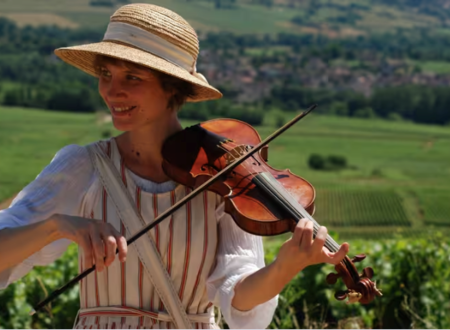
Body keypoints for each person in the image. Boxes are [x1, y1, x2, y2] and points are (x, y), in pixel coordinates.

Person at [0, 3, 349, 329]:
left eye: (132, 78)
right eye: (106, 74)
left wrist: (284, 267)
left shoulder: (225, 176)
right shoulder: (84, 164)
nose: (111, 91)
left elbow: (239, 298)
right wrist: (56, 226)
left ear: (172, 87)